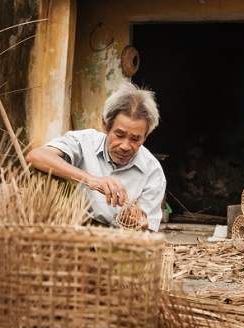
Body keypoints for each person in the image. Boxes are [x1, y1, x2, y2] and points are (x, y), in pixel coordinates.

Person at [25, 82, 166, 231]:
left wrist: (133, 224)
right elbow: (36, 156)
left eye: (135, 139)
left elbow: (147, 230)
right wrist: (90, 180)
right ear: (105, 126)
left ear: (145, 136)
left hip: (113, 239)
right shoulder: (83, 141)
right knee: (43, 173)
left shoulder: (153, 171)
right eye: (119, 135)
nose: (125, 146)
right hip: (69, 227)